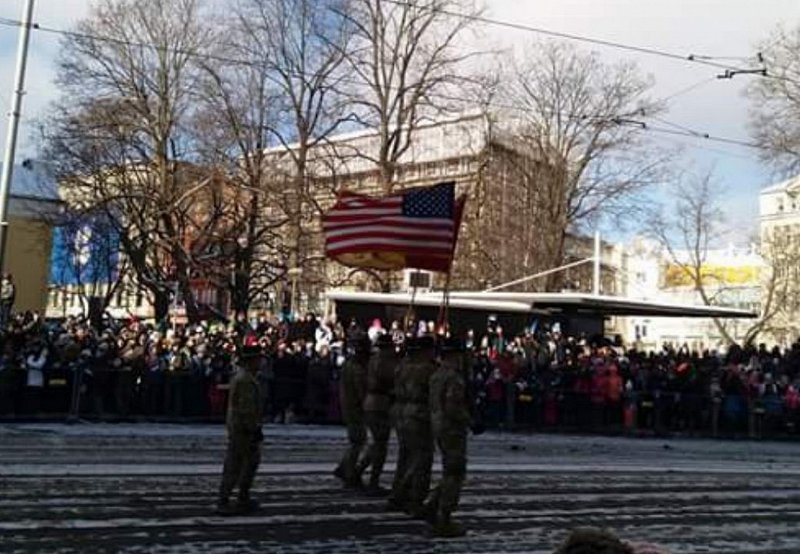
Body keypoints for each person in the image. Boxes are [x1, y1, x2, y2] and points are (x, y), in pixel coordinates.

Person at [424, 337, 470, 537]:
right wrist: (470, 420)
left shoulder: (436, 375)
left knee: (448, 470)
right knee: (455, 473)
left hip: (438, 426)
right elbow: (453, 407)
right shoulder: (453, 377)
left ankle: (433, 503)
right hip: (452, 429)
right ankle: (444, 518)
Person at [216, 334, 264, 515]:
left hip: (242, 427)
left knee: (247, 463)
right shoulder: (245, 380)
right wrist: (253, 427)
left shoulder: (245, 377)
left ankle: (241, 496)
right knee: (236, 464)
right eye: (258, 359)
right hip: (243, 428)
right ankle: (225, 499)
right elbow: (245, 408)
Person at [391, 335, 436, 517]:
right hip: (420, 413)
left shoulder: (403, 366)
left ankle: (398, 492)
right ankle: (414, 499)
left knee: (405, 456)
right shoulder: (428, 369)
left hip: (401, 411)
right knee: (422, 460)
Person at [356, 334, 397, 495]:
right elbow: (390, 378)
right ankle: (373, 480)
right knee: (380, 445)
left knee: (377, 444)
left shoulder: (374, 360)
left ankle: (358, 471)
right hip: (380, 402)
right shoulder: (383, 362)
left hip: (373, 402)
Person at [333, 333, 370, 488]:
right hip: (355, 406)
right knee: (357, 441)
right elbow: (361, 390)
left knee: (356, 440)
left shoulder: (348, 364)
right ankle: (347, 470)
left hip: (348, 404)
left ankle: (345, 467)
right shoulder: (356, 368)